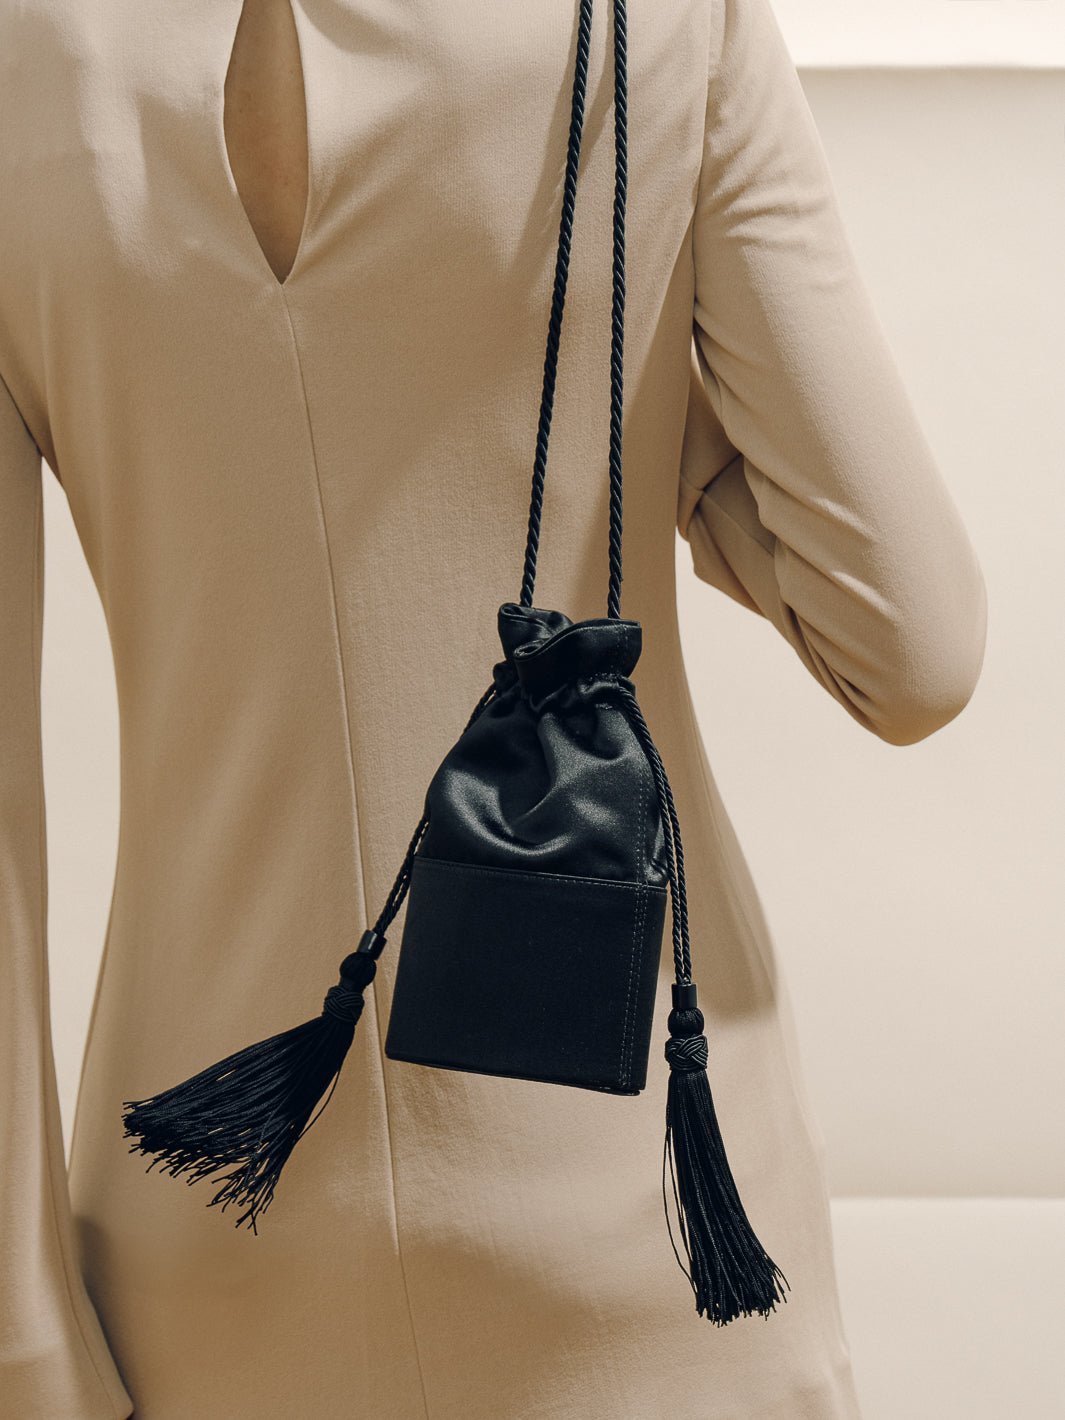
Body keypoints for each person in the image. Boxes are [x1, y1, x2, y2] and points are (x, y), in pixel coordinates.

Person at [0, 0, 987, 1416]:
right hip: (634, 1206)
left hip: (201, 1221)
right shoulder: (648, 20)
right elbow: (910, 647)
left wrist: (25, 1349)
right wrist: (680, 445)